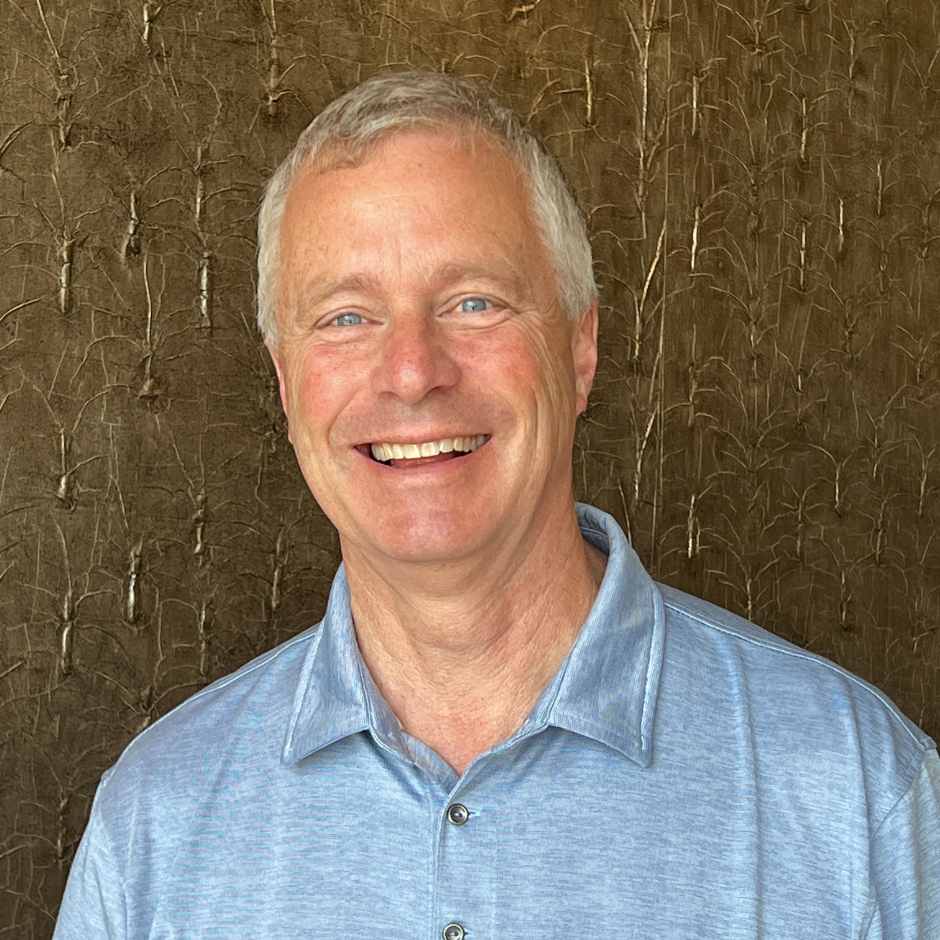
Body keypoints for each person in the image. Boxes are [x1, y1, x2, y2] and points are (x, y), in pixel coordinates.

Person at [54, 71, 939, 939]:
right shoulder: (155, 826)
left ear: (581, 348)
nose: (412, 372)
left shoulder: (860, 795)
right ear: (286, 384)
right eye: (346, 317)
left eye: (473, 302)